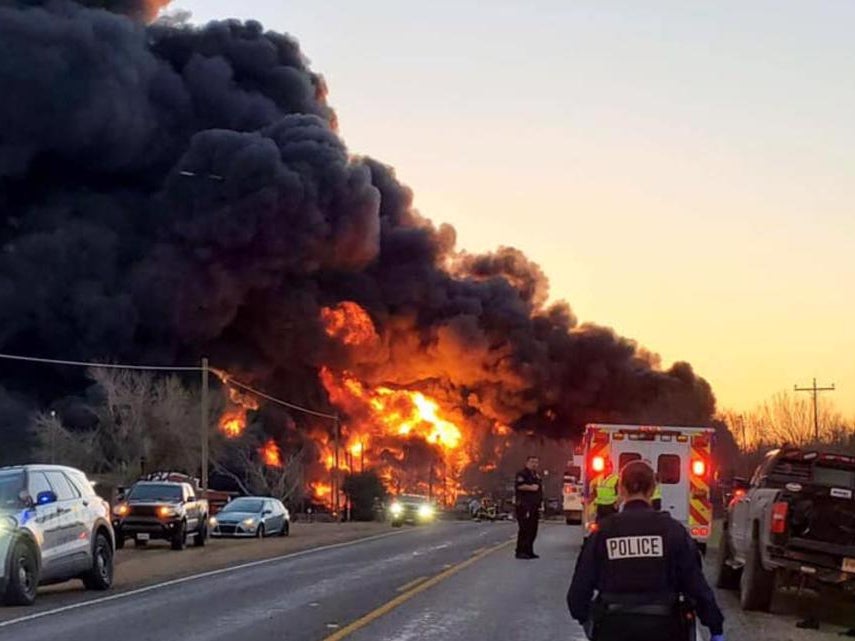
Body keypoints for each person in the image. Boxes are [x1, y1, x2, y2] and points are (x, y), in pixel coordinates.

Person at [567, 460, 724, 641]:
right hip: (665, 627)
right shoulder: (673, 531)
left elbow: (578, 591)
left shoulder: (603, 532)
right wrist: (715, 625)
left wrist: (589, 621)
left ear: (621, 489)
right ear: (652, 490)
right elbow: (695, 584)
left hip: (613, 626)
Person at [514, 455, 543, 559]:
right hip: (524, 506)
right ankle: (520, 551)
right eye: (532, 462)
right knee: (524, 529)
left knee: (533, 530)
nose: (534, 464)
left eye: (536, 462)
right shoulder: (522, 474)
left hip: (534, 506)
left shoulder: (536, 475)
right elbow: (519, 486)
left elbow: (539, 489)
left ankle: (529, 551)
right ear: (527, 463)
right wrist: (531, 487)